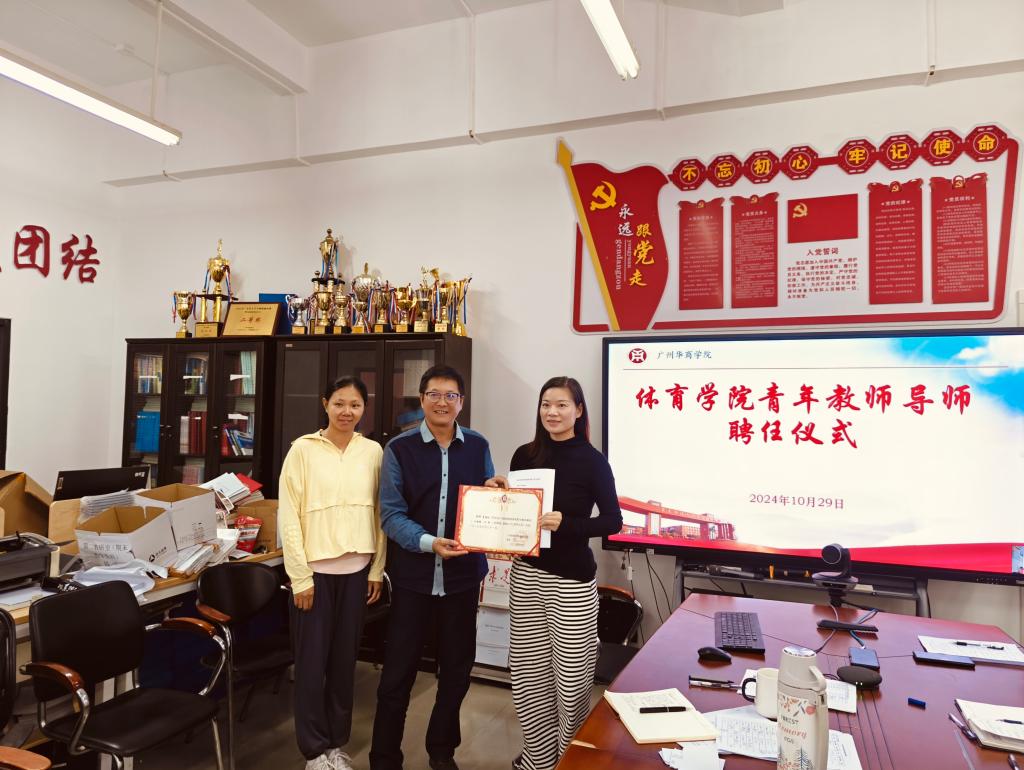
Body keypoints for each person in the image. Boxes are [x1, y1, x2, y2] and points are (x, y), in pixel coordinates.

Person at [370, 364, 506, 770]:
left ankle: (442, 751)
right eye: (434, 394)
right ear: (422, 399)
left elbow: (483, 502)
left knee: (457, 673)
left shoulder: (478, 446)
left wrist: (495, 493)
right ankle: (384, 758)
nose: (442, 402)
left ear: (461, 402)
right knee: (397, 675)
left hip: (462, 580)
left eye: (451, 395)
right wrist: (430, 543)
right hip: (413, 579)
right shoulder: (400, 448)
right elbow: (391, 515)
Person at [508, 376, 623, 770]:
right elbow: (518, 513)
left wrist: (567, 523)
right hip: (526, 576)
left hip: (571, 583)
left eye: (561, 405)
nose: (552, 412)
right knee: (529, 677)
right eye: (546, 404)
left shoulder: (592, 460)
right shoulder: (524, 455)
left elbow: (612, 521)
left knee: (571, 680)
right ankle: (538, 759)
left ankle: (567, 761)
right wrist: (500, 496)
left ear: (578, 410)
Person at [278, 376, 386, 770]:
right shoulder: (302, 450)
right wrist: (300, 577)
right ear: (325, 404)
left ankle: (336, 744)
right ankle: (313, 751)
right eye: (339, 403)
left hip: (357, 572)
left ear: (364, 408)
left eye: (355, 405)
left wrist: (376, 569)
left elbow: (380, 513)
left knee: (343, 665)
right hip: (315, 576)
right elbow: (288, 517)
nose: (347, 412)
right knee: (310, 666)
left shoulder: (372, 451)